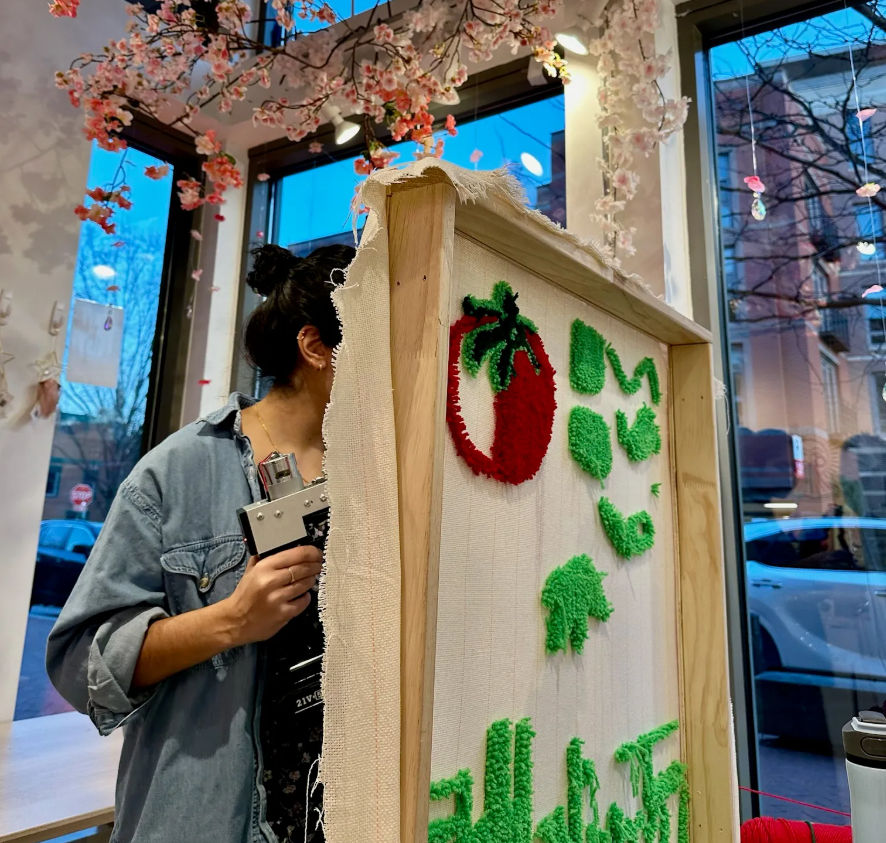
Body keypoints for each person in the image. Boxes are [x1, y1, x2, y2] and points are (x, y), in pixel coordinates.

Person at [46, 243, 355, 843]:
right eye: (376, 340)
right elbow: (80, 664)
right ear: (316, 348)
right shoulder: (179, 471)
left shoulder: (370, 476)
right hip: (207, 817)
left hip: (340, 810)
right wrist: (233, 620)